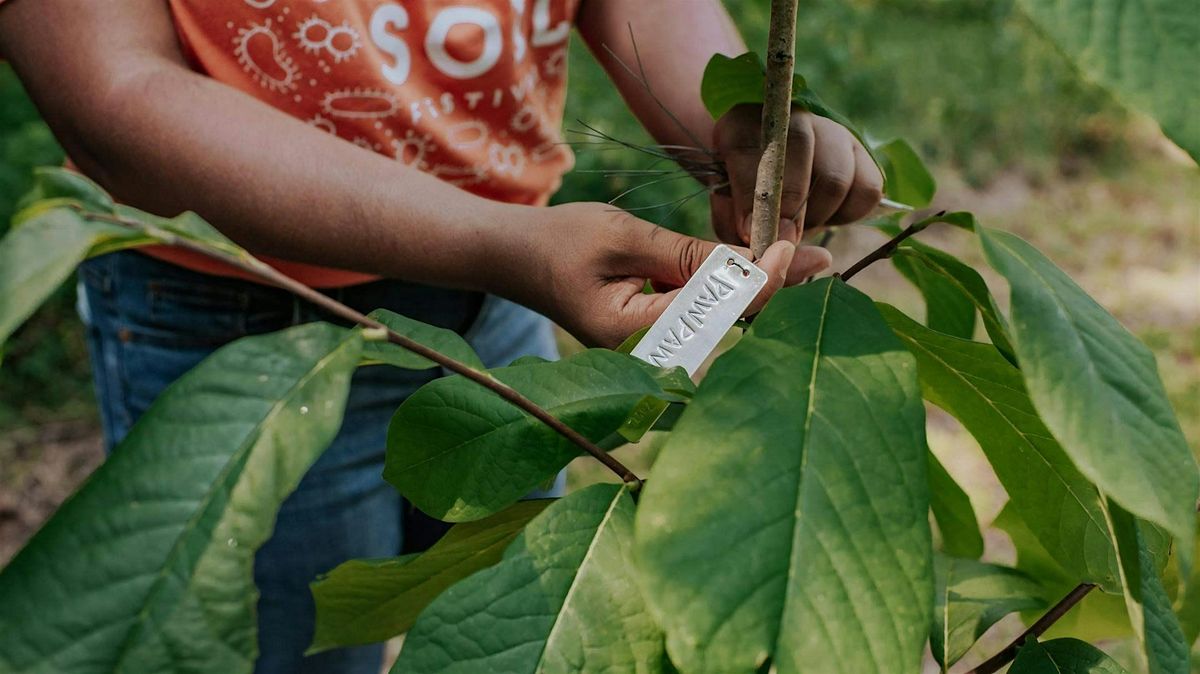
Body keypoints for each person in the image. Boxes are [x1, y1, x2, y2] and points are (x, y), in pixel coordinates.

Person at [0, 1, 884, 672]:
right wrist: (499, 244)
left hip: (506, 308)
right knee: (290, 645)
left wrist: (734, 122)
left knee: (520, 609)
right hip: (235, 310)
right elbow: (111, 89)